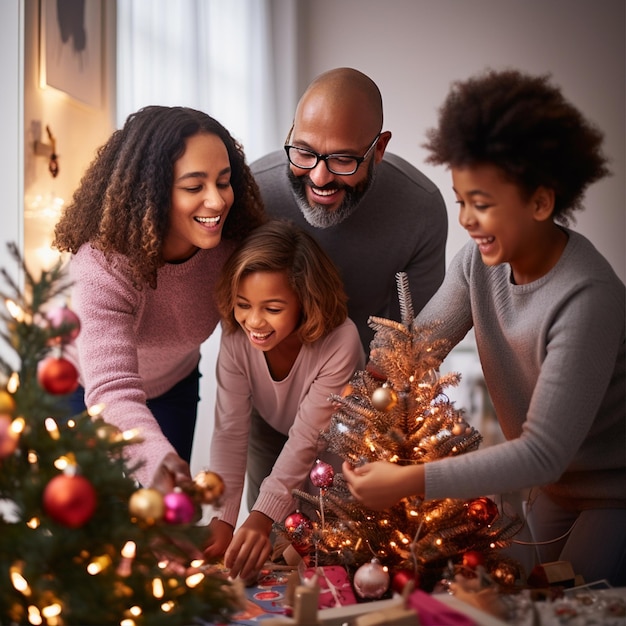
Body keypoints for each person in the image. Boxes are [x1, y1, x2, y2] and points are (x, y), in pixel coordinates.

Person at [343, 69, 626, 586]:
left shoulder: (588, 298)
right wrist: (361, 389)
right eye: (461, 201)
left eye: (483, 203)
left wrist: (410, 480)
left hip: (614, 494)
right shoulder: (479, 263)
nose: (468, 221)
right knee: (521, 594)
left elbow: (541, 453)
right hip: (556, 490)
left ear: (541, 202)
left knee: (573, 603)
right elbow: (415, 348)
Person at [52, 105, 266, 490]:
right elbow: (112, 389)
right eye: (193, 186)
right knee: (92, 528)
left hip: (174, 387)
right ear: (150, 192)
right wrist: (155, 458)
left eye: (223, 181)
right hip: (82, 391)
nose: (217, 201)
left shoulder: (232, 248)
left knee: (164, 523)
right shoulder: (103, 266)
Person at [203, 220, 365, 580]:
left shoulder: (341, 341)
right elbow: (229, 432)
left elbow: (310, 439)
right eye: (243, 304)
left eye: (272, 308)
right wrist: (223, 517)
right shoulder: (235, 336)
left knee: (327, 558)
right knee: (266, 553)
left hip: (340, 452)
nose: (253, 322)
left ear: (306, 302)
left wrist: (260, 518)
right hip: (275, 435)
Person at [251, 67, 448, 351]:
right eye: (304, 152)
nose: (319, 178)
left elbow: (414, 341)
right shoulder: (252, 193)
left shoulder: (420, 208)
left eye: (343, 159)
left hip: (368, 380)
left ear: (379, 148)